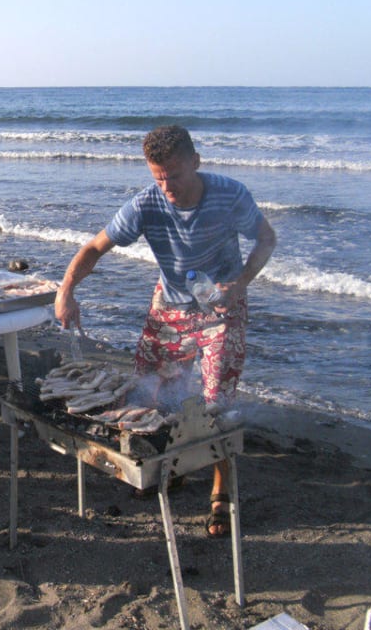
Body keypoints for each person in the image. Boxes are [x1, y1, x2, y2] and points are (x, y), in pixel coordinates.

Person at [54, 125, 276, 538]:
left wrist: (242, 282)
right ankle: (168, 466)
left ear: (196, 161)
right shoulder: (146, 204)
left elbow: (266, 238)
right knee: (152, 392)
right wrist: (66, 290)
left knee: (214, 403)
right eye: (157, 176)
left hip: (220, 307)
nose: (166, 185)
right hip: (169, 305)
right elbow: (93, 248)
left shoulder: (231, 194)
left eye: (173, 174)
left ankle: (220, 490)